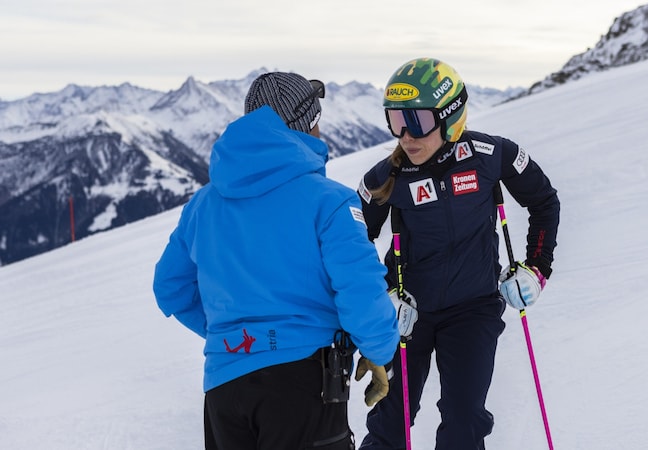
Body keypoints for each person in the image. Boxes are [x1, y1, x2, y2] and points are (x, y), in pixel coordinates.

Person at [153, 72, 400, 450]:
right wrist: (380, 350)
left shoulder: (203, 205)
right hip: (304, 383)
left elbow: (170, 287)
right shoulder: (329, 201)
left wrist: (235, 338)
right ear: (307, 124)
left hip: (224, 385)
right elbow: (360, 288)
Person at [356, 57, 560, 449]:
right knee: (390, 425)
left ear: (451, 116)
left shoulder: (492, 155)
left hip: (473, 309)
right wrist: (382, 294)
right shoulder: (385, 179)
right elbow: (351, 245)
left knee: (464, 422)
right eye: (396, 122)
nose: (405, 136)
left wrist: (536, 269)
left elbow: (544, 202)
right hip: (408, 317)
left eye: (417, 122)